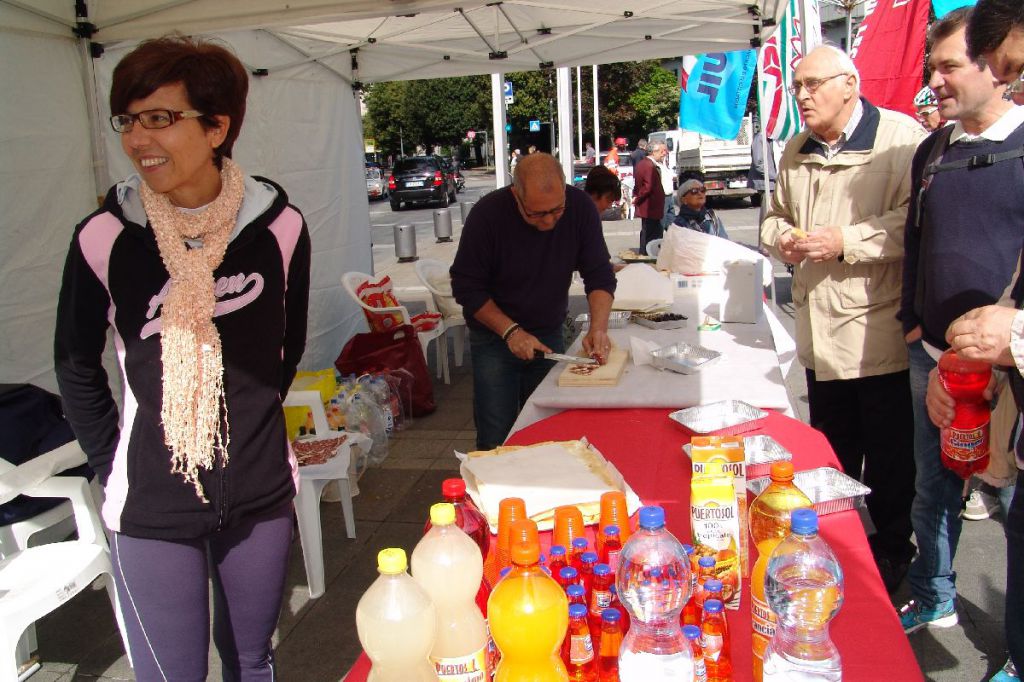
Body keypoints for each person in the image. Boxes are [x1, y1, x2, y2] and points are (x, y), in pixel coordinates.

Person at [53, 37, 311, 681]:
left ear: (217, 127)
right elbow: (76, 363)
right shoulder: (104, 236)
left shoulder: (280, 228)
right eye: (128, 120)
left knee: (252, 659)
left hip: (258, 493)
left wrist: (249, 433)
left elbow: (284, 351)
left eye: (160, 118)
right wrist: (117, 462)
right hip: (151, 503)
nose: (138, 139)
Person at [760, 44, 925, 593]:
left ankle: (892, 554)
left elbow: (916, 223)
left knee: (890, 461)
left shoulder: (901, 139)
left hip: (878, 334)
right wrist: (783, 238)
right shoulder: (796, 147)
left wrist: (846, 240)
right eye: (798, 86)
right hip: (819, 334)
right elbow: (773, 217)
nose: (802, 96)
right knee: (830, 456)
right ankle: (833, 548)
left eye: (813, 85)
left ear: (850, 84)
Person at [898, 8, 1024, 640]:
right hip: (935, 359)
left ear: (995, 66)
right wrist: (913, 323)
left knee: (1010, 505)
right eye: (931, 68)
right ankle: (933, 594)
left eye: (948, 67)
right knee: (934, 488)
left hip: (1013, 367)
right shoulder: (932, 151)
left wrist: (1011, 340)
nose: (934, 82)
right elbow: (915, 242)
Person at [450, 153, 617, 451]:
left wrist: (598, 328)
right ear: (516, 195)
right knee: (496, 436)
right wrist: (510, 331)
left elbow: (599, 275)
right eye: (537, 214)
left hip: (548, 333)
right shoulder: (487, 215)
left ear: (564, 188)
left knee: (546, 430)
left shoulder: (581, 208)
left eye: (557, 210)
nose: (550, 221)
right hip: (493, 339)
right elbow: (466, 287)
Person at [632, 140, 668, 253]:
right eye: (662, 151)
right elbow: (648, 186)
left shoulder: (646, 164)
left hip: (651, 206)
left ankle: (647, 253)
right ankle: (648, 255)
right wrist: (637, 198)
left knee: (649, 232)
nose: (664, 154)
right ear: (654, 152)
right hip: (650, 206)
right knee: (652, 234)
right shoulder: (648, 165)